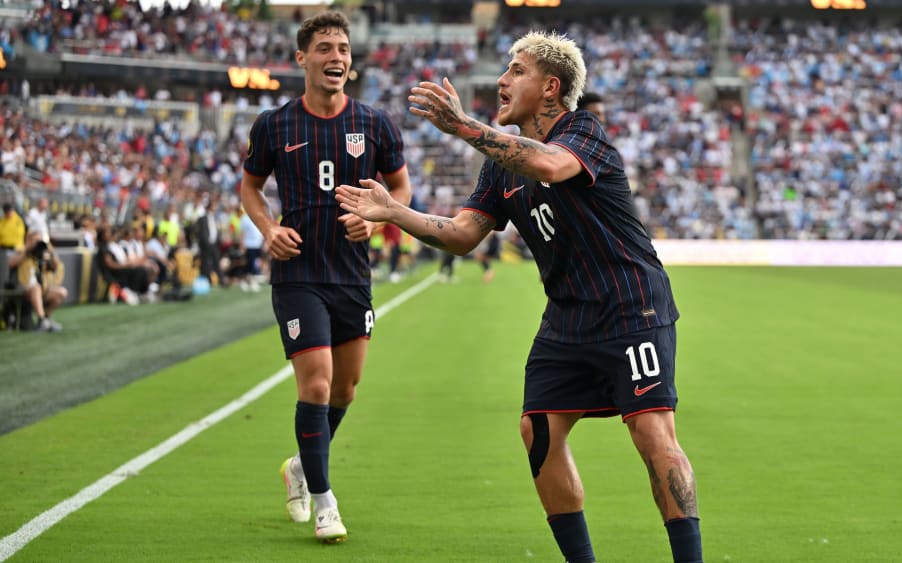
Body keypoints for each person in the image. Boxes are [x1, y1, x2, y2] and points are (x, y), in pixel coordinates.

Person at [335, 31, 702, 562]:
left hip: (631, 305)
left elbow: (549, 165)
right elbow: (463, 234)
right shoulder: (499, 165)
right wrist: (395, 212)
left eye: (516, 70)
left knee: (652, 434)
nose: (502, 80)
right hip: (568, 315)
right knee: (539, 430)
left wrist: (463, 126)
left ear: (551, 87)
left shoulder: (584, 131)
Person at [240, 10, 412, 544]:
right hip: (298, 273)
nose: (336, 57)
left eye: (342, 49)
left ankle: (300, 467)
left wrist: (377, 219)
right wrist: (268, 228)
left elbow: (401, 189)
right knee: (315, 383)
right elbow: (250, 187)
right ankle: (324, 501)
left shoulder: (375, 123)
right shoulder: (274, 124)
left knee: (345, 389)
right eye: (324, 48)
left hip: (351, 275)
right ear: (302, 58)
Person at [8, 229, 67, 331]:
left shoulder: (43, 253)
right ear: (28, 240)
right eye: (35, 240)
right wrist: (28, 249)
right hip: (24, 288)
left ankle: (46, 319)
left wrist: (50, 250)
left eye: (39, 240)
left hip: (43, 289)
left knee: (62, 292)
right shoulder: (22, 250)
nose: (37, 244)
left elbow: (55, 266)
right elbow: (11, 263)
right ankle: (42, 320)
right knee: (36, 288)